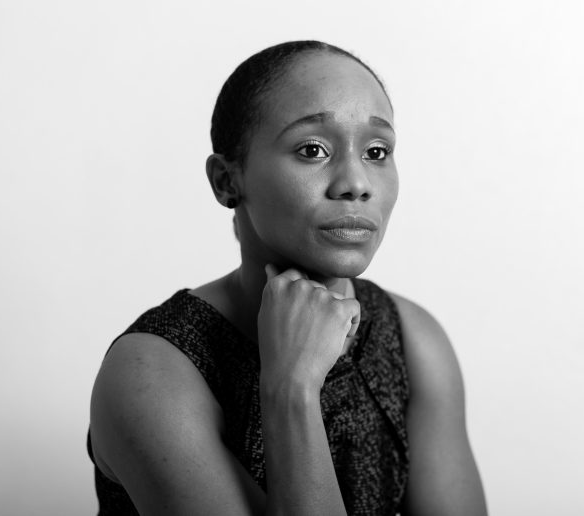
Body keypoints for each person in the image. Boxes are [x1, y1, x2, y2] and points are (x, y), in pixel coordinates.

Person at [87, 40, 487, 516]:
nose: (356, 183)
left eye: (376, 151)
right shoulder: (152, 374)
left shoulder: (411, 338)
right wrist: (292, 386)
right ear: (226, 181)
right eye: (313, 149)